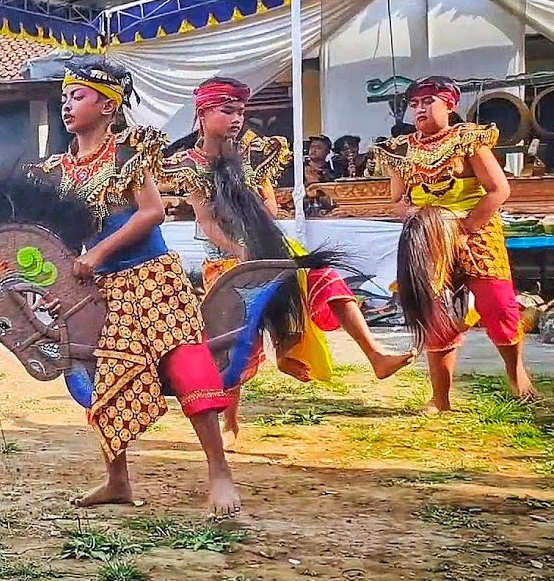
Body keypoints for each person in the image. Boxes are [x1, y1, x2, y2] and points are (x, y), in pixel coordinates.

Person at [28, 59, 239, 516]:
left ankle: (220, 472)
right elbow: (64, 241)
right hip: (99, 286)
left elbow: (152, 213)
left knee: (185, 361)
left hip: (152, 278)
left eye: (78, 96)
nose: (67, 105)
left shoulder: (129, 152)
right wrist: (57, 282)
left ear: (108, 106)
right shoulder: (59, 170)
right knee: (102, 372)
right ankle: (116, 479)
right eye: (64, 97)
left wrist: (97, 255)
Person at [162, 78, 413, 448]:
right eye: (227, 111)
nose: (237, 118)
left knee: (326, 279)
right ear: (202, 115)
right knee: (237, 341)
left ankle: (375, 355)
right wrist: (240, 249)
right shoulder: (190, 164)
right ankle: (230, 420)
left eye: (240, 112)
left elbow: (270, 205)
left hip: (271, 248)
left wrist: (260, 226)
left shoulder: (253, 155)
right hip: (227, 260)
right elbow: (207, 222)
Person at [371, 77, 537, 412]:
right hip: (430, 237)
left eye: (427, 102)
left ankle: (515, 370)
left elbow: (498, 190)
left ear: (450, 105)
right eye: (414, 104)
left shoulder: (469, 139)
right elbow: (398, 200)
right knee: (436, 312)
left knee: (498, 305)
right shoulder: (402, 149)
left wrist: (465, 227)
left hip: (475, 232)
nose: (419, 109)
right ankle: (440, 398)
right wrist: (417, 215)